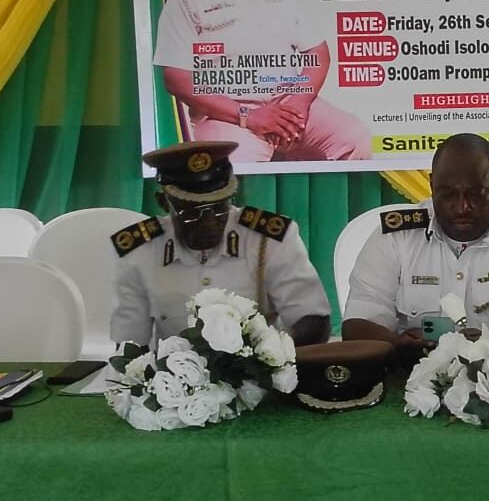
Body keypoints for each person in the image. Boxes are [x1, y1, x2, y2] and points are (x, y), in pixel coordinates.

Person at [153, 0, 371, 163]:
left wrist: (298, 103)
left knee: (354, 138)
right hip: (228, 115)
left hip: (288, 102)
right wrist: (248, 116)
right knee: (233, 162)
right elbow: (176, 77)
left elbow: (318, 54)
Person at [341, 133, 489, 351]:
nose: (462, 207)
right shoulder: (396, 237)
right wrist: (397, 345)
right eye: (448, 194)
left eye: (475, 194)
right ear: (432, 186)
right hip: (412, 374)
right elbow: (357, 323)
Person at [111, 140, 332, 349]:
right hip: (173, 371)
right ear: (163, 203)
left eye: (219, 209)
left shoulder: (268, 240)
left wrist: (277, 362)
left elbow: (312, 319)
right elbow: (130, 343)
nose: (208, 222)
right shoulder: (141, 250)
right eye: (192, 213)